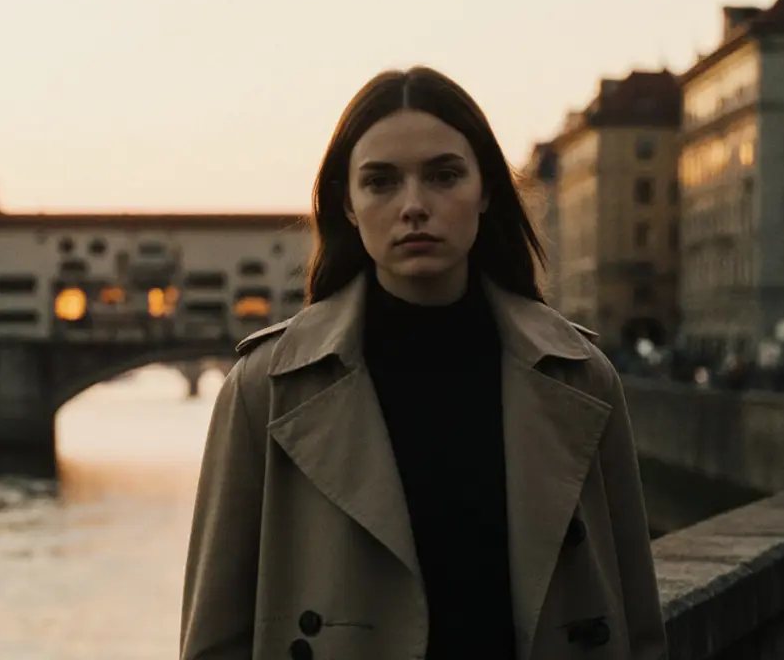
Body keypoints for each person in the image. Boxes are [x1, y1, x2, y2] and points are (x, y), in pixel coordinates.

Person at [181, 66, 667, 660]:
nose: (414, 206)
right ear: (349, 205)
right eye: (381, 182)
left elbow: (638, 623)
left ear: (486, 190)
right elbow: (213, 640)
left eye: (443, 176)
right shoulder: (266, 389)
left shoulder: (581, 375)